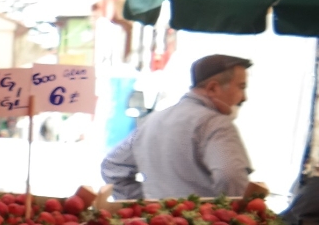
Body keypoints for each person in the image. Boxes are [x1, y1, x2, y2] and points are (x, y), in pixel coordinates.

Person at [100, 54, 253, 200]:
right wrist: (230, 214)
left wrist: (152, 205)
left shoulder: (153, 120)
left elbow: (112, 167)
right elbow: (229, 175)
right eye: (241, 87)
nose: (244, 97)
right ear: (213, 88)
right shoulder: (215, 124)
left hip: (154, 224)